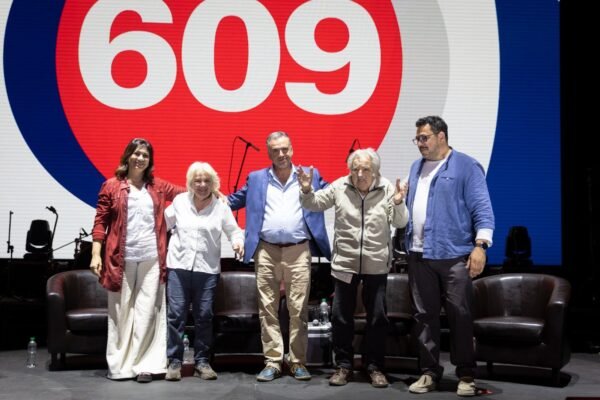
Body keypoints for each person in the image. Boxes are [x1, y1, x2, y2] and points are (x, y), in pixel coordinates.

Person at [298, 148, 408, 388]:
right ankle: (343, 366)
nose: (359, 174)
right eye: (355, 169)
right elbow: (313, 204)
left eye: (365, 169)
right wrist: (307, 189)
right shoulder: (340, 186)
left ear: (375, 170)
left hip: (376, 264)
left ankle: (375, 367)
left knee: (377, 318)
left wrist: (399, 203)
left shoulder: (387, 188)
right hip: (344, 263)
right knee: (340, 317)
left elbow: (400, 222)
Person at [228, 131, 331, 382]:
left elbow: (334, 196)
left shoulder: (310, 175)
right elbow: (230, 201)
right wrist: (200, 196)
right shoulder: (256, 178)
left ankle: (297, 362)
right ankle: (273, 361)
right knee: (268, 308)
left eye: (285, 149)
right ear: (269, 152)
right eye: (275, 150)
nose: (281, 154)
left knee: (298, 309)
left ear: (292, 149)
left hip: (298, 249)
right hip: (266, 250)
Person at [404, 116, 494, 397]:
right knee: (423, 316)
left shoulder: (466, 166)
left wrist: (481, 246)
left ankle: (466, 374)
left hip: (454, 254)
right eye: (417, 138)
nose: (420, 143)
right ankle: (429, 372)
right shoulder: (415, 167)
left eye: (424, 138)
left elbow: (482, 207)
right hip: (419, 253)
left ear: (441, 136)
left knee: (460, 315)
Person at [90, 138, 185, 382]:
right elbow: (100, 222)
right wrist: (95, 254)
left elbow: (188, 193)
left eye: (145, 155)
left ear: (150, 160)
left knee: (147, 312)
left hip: (152, 258)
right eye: (136, 153)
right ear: (128, 156)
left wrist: (212, 188)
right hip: (120, 259)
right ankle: (120, 366)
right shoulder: (112, 186)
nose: (140, 158)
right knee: (121, 312)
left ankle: (146, 365)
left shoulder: (158, 186)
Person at [163, 162, 244, 381]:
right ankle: (174, 362)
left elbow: (234, 231)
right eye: (197, 180)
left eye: (206, 181)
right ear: (190, 183)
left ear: (213, 183)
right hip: (178, 267)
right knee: (175, 316)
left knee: (204, 317)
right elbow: (162, 224)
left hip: (207, 270)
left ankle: (202, 362)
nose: (202, 185)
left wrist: (238, 242)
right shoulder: (179, 202)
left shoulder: (221, 206)